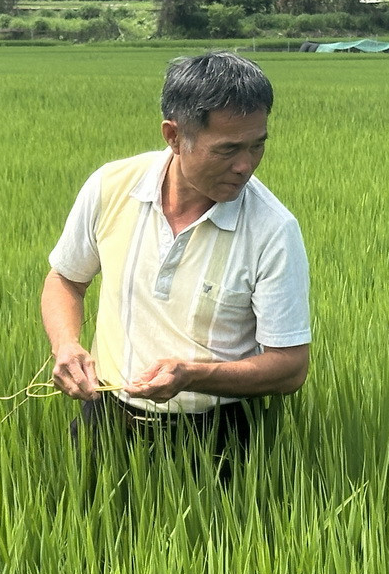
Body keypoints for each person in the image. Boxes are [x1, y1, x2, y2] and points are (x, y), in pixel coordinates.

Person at [41, 51, 310, 482]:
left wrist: (192, 376)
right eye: (227, 149)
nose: (245, 165)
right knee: (88, 541)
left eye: (257, 145)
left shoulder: (273, 230)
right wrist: (66, 345)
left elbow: (290, 366)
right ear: (173, 135)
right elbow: (66, 280)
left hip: (217, 440)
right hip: (106, 422)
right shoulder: (112, 187)